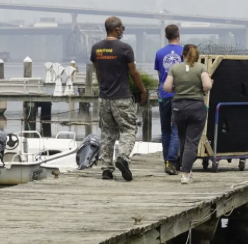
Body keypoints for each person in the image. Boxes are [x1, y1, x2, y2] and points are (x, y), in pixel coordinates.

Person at [89, 16, 147, 181]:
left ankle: (106, 170)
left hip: (104, 97)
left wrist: (102, 86)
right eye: (122, 28)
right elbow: (133, 73)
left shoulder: (96, 49)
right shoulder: (124, 49)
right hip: (122, 97)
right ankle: (123, 158)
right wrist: (142, 90)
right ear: (116, 29)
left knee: (107, 133)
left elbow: (98, 71)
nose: (123, 30)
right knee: (129, 129)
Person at [163, 43, 213, 184]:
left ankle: (187, 170)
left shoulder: (175, 68)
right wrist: (202, 87)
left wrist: (179, 89)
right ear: (197, 56)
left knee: (183, 139)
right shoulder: (201, 67)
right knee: (192, 142)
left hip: (178, 106)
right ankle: (185, 173)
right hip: (196, 106)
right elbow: (207, 86)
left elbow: (166, 87)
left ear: (182, 55)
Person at [154, 24, 183, 174]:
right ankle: (172, 161)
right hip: (179, 95)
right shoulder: (185, 52)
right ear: (178, 34)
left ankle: (167, 161)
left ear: (166, 36)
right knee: (176, 130)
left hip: (164, 95)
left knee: (165, 131)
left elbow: (160, 76)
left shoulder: (159, 53)